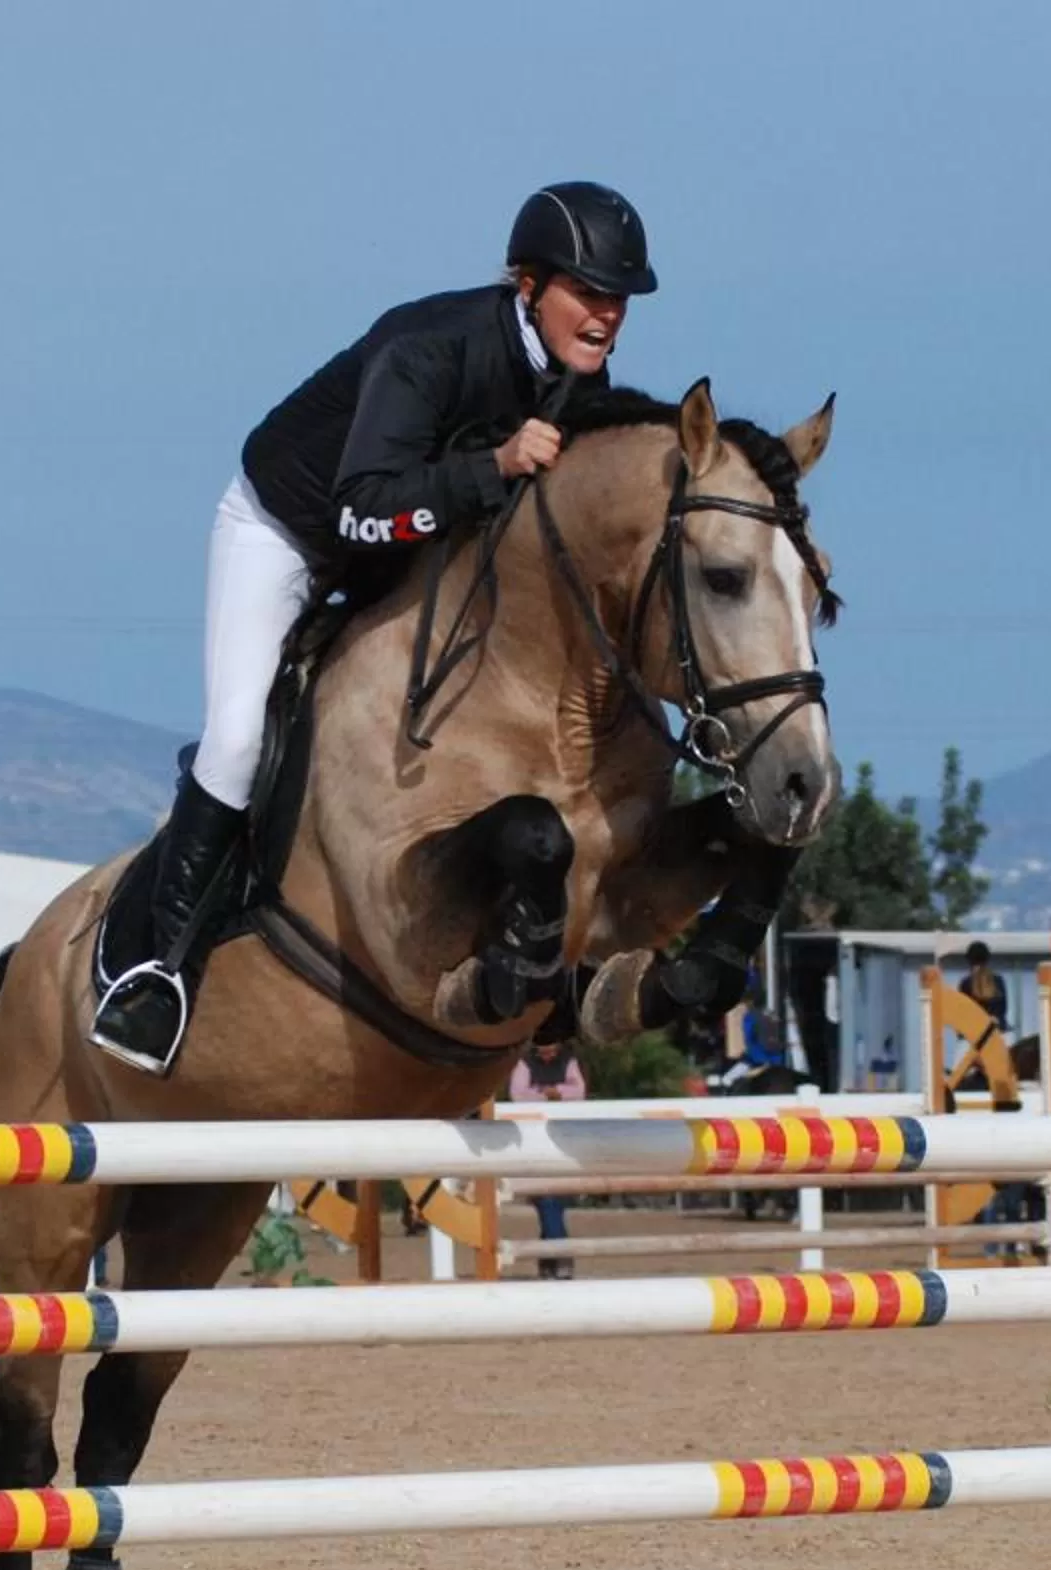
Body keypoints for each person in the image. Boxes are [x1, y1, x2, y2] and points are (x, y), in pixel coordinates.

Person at [90, 181, 659, 1075]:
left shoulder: (576, 383)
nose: (607, 315)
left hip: (406, 558)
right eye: (589, 292)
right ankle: (153, 969)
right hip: (293, 534)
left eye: (618, 299)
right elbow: (360, 509)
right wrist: (495, 464)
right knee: (240, 738)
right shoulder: (427, 346)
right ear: (528, 285)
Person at [510, 1037, 588, 1278]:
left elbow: (579, 1091)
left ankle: (549, 1260)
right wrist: (548, 1094)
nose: (546, 1054)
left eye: (550, 1049)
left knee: (553, 1204)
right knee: (547, 1202)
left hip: (565, 1141)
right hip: (534, 1141)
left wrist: (556, 1092)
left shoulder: (569, 1061)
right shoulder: (525, 1063)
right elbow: (517, 1094)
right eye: (543, 1049)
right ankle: (560, 1257)